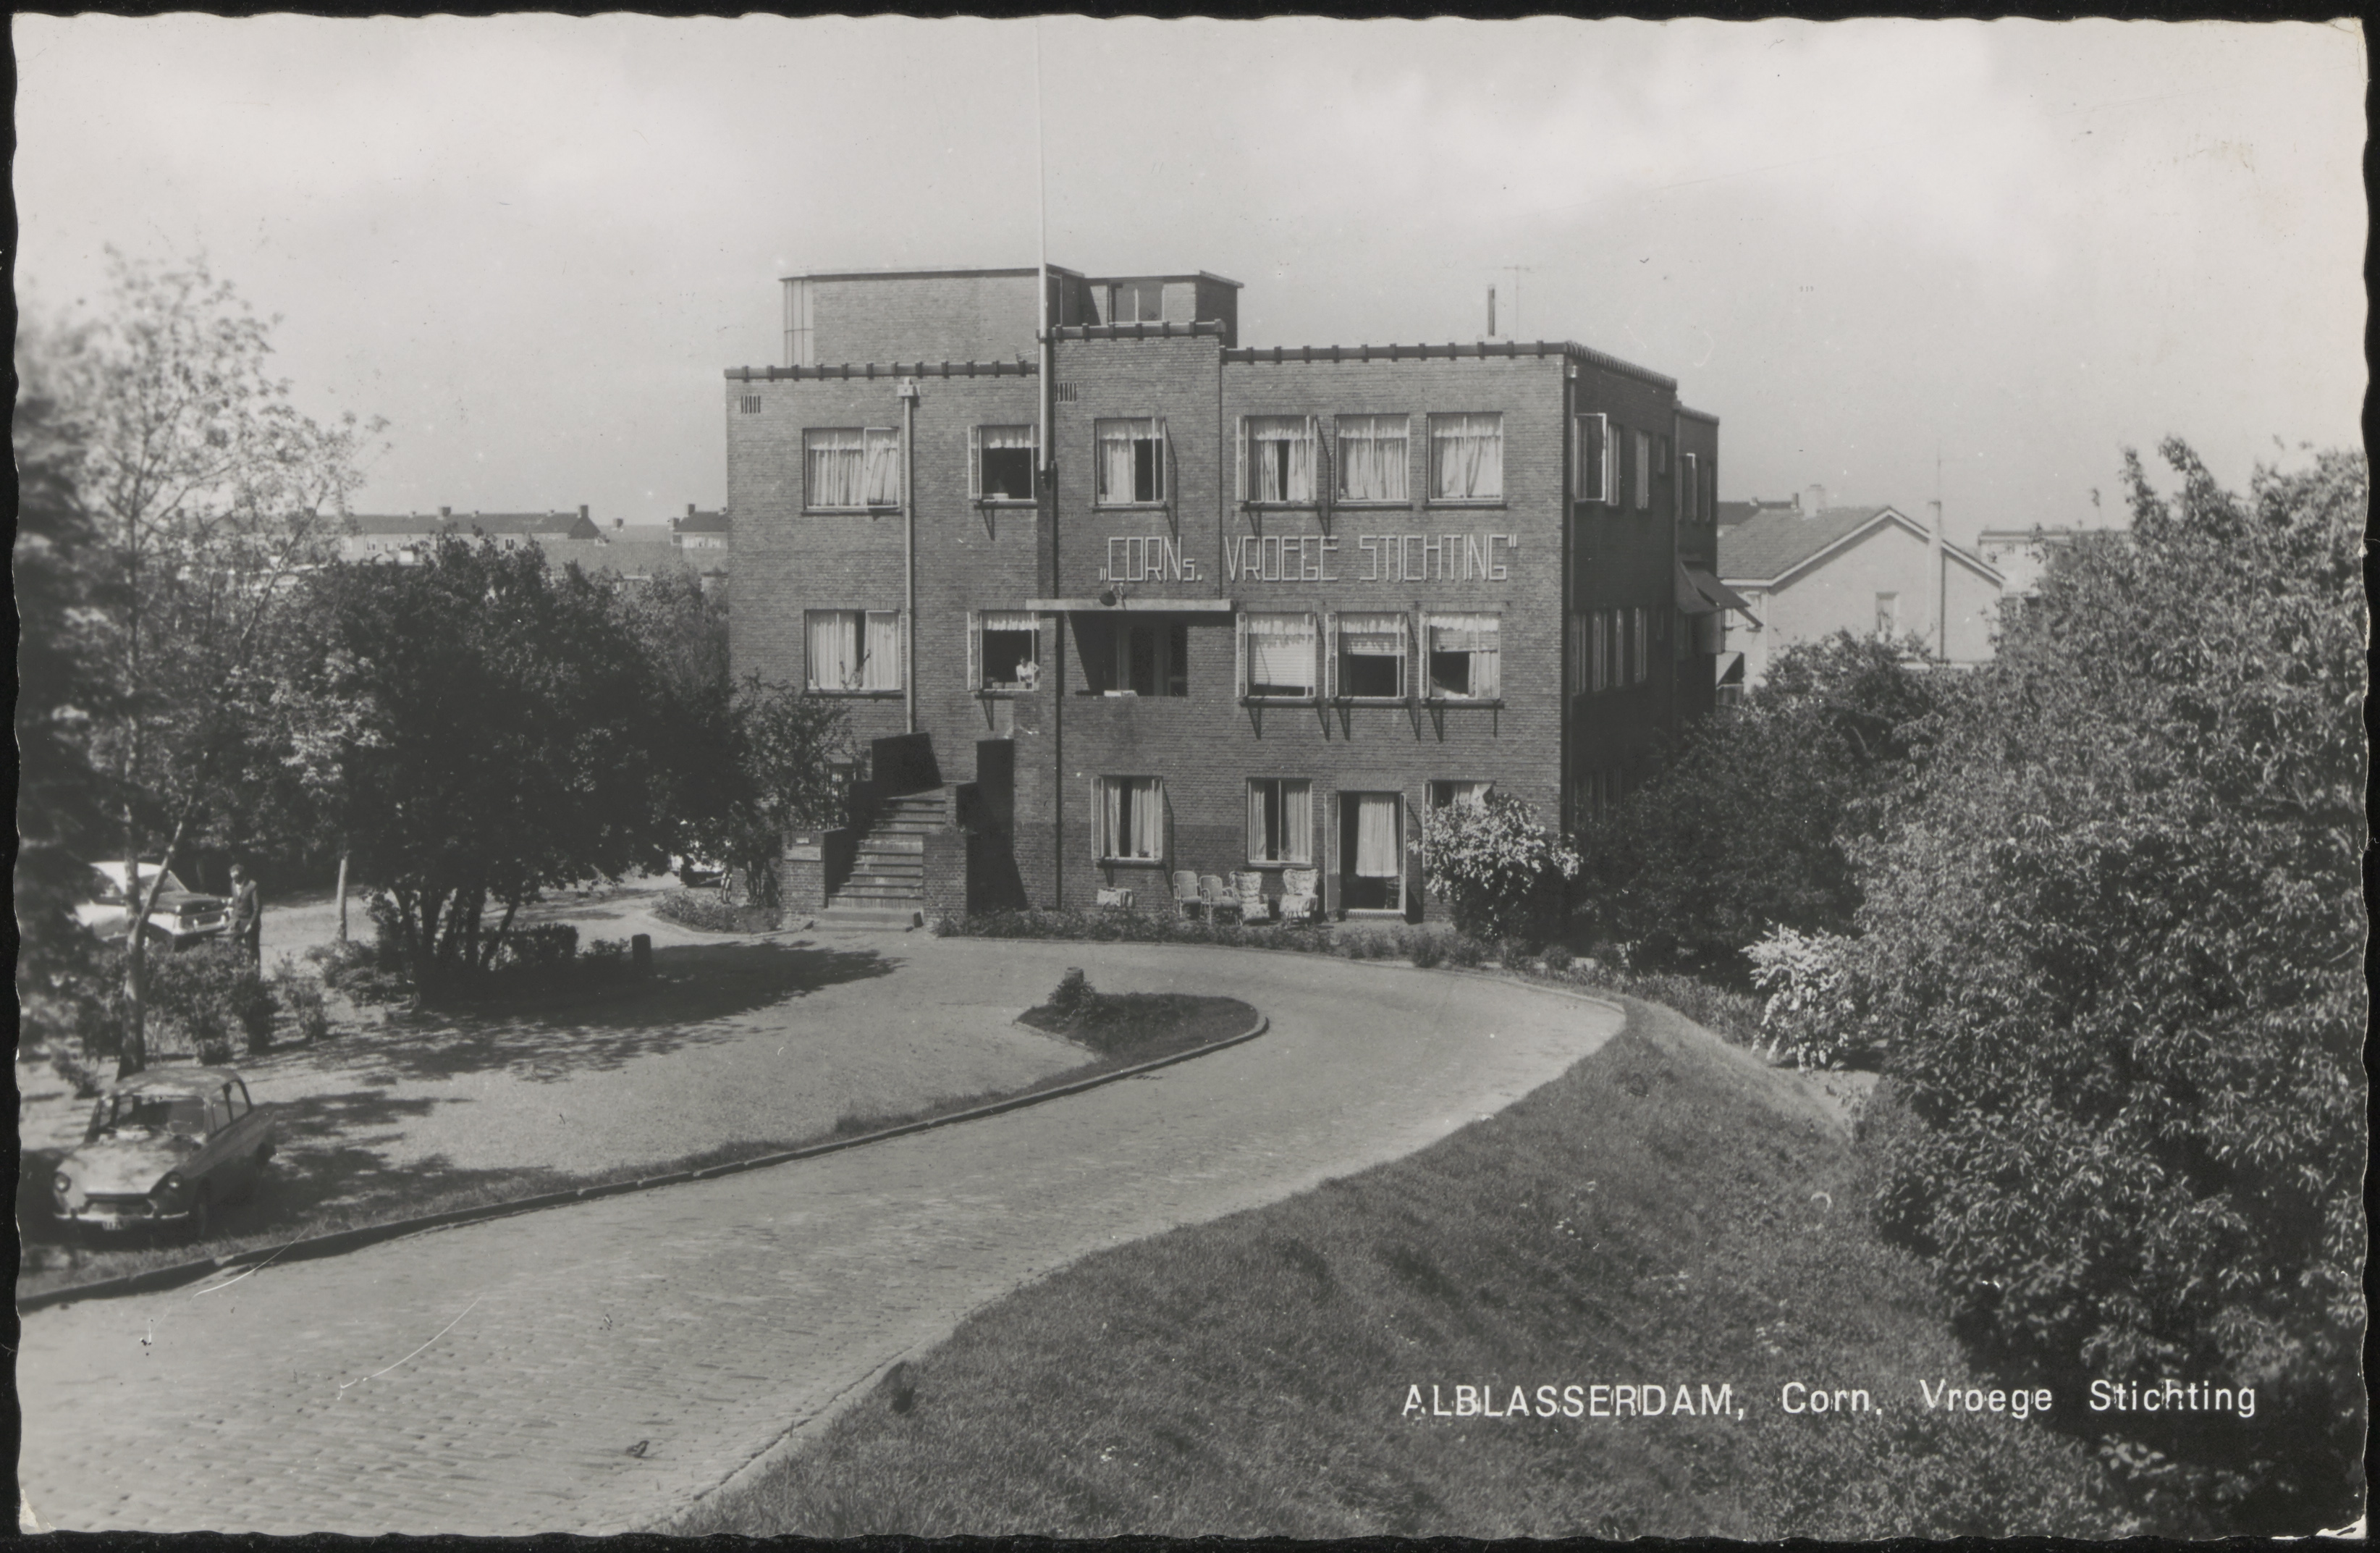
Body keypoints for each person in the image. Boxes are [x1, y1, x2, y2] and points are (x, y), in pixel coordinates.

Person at [227, 860, 262, 966]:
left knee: (252, 950)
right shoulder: (233, 884)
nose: (234, 880)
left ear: (242, 875)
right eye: (232, 878)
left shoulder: (252, 885)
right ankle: (239, 969)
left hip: (250, 922)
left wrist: (251, 924)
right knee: (232, 946)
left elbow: (257, 908)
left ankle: (255, 971)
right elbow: (236, 902)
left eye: (236, 878)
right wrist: (231, 912)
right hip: (238, 922)